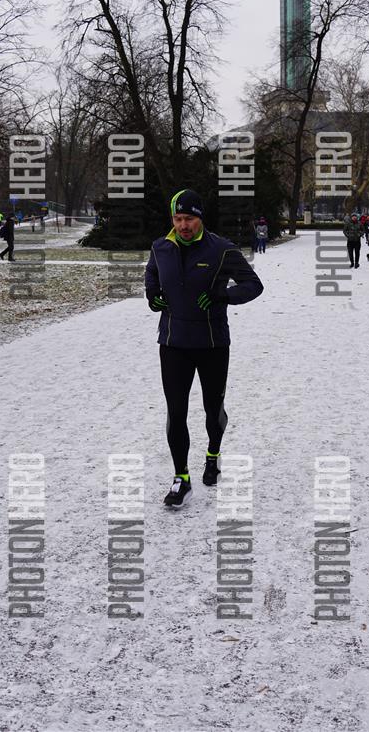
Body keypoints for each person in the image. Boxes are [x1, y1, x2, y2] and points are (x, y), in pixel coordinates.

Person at [145, 189, 264, 509]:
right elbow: (152, 274)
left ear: (200, 218)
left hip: (212, 344)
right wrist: (152, 295)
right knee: (176, 412)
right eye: (178, 219)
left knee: (213, 410)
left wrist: (223, 295)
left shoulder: (221, 250)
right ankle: (181, 478)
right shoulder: (160, 248)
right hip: (173, 343)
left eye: (189, 219)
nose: (183, 225)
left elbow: (254, 285)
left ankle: (213, 453)